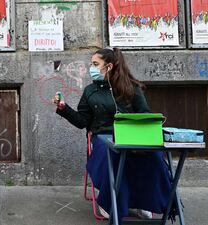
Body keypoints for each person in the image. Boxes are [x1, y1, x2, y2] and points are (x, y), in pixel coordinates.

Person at [53, 48, 175, 221]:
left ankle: (143, 202)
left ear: (109, 66)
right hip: (103, 137)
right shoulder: (90, 91)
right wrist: (63, 108)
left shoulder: (131, 87)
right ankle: (108, 202)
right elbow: (82, 121)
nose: (91, 68)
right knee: (114, 155)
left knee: (154, 156)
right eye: (91, 64)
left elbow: (144, 114)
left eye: (95, 64)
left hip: (133, 136)